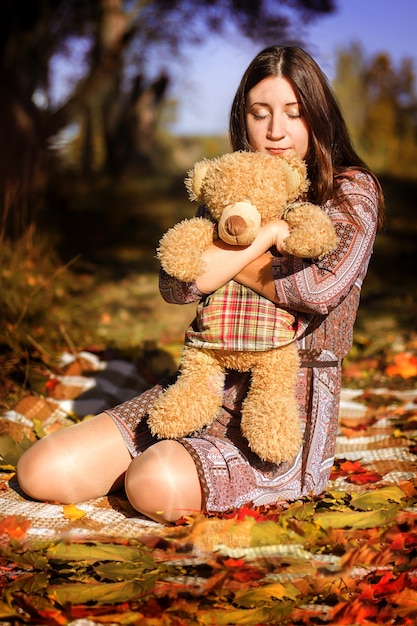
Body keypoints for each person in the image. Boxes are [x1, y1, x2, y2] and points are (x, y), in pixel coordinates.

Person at [17, 45, 385, 524]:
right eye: (260, 113)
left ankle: (195, 469)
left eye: (294, 114)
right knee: (40, 470)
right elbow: (176, 284)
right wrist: (268, 239)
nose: (275, 131)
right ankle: (169, 456)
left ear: (318, 117)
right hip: (201, 386)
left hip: (283, 411)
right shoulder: (230, 185)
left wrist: (227, 255)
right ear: (243, 118)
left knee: (151, 481)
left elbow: (316, 290)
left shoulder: (351, 191)